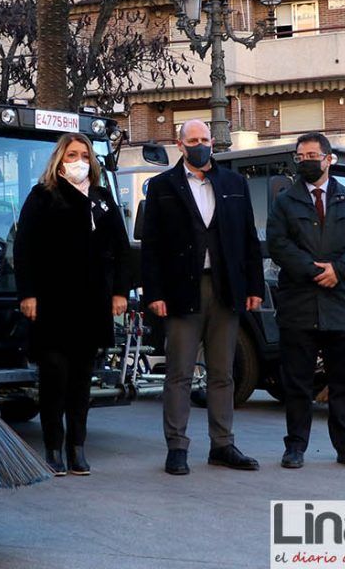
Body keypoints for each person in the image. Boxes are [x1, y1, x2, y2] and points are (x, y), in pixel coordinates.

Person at [140, 119, 265, 476]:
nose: (200, 145)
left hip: (225, 290)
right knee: (179, 373)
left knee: (223, 373)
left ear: (213, 142)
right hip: (181, 291)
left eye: (205, 139)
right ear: (179, 145)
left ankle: (222, 444)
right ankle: (177, 447)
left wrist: (253, 287)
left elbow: (248, 241)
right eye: (192, 140)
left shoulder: (234, 184)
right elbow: (152, 247)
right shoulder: (162, 187)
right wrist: (155, 294)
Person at [14, 133, 130, 477]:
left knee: (81, 380)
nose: (78, 160)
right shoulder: (42, 196)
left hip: (92, 304)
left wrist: (120, 292)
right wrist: (28, 294)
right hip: (51, 304)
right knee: (54, 377)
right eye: (72, 154)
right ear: (59, 159)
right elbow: (25, 248)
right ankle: (52, 448)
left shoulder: (102, 198)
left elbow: (121, 248)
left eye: (84, 154)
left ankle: (76, 448)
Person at [267, 132, 345, 470]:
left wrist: (339, 270)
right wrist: (313, 270)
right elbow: (278, 243)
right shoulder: (285, 201)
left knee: (342, 382)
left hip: (340, 304)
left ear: (329, 159)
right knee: (297, 383)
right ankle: (295, 447)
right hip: (299, 304)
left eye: (312, 155)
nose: (305, 161)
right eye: (300, 157)